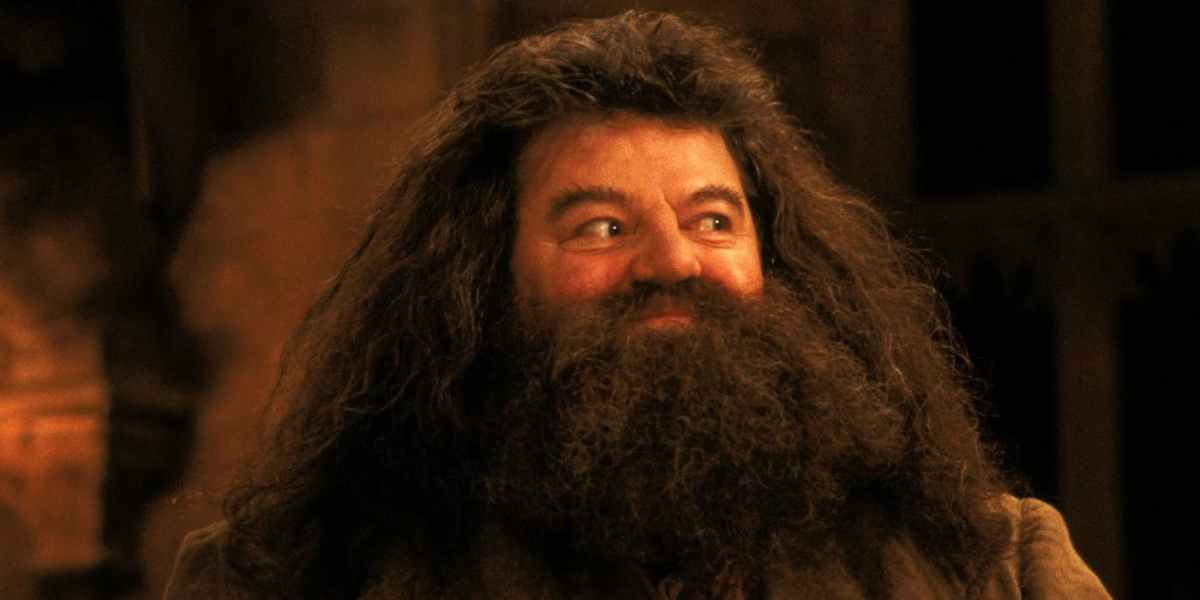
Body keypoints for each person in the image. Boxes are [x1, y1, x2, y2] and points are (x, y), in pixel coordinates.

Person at [163, 11, 1110, 600]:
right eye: (602, 228)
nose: (674, 262)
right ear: (480, 285)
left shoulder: (996, 567)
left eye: (713, 220)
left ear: (774, 259)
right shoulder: (287, 580)